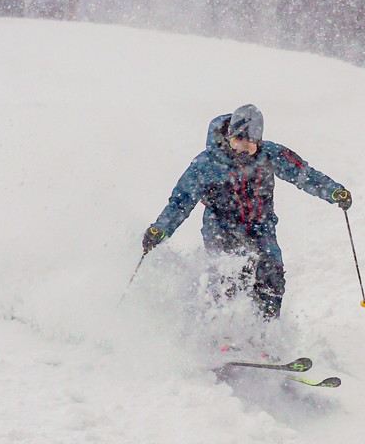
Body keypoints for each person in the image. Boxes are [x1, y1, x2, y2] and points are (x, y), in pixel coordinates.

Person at [141, 104, 351, 321]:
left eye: (249, 146)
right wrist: (160, 229)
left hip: (261, 227)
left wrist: (334, 192)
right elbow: (180, 202)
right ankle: (221, 332)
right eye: (237, 142)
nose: (242, 151)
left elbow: (304, 174)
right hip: (221, 228)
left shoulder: (270, 155)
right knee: (232, 274)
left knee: (271, 273)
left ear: (258, 143)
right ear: (228, 136)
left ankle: (265, 332)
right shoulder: (207, 164)